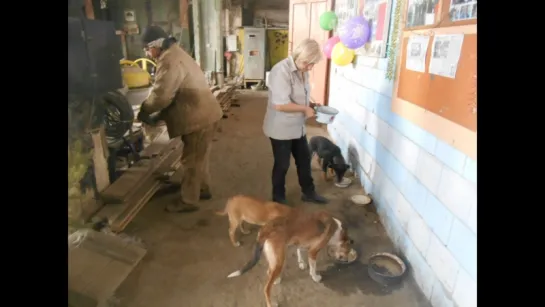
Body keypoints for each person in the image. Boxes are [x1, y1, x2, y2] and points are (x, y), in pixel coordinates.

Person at [138, 26, 223, 213]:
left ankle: (189, 201)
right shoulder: (177, 52)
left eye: (147, 48)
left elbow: (162, 94)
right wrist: (160, 114)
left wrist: (145, 110)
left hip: (198, 117)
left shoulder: (169, 60)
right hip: (205, 113)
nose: (146, 53)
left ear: (156, 45)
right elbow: (175, 92)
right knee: (200, 156)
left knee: (191, 160)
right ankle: (202, 189)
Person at [262, 38, 328, 205]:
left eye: (312, 64)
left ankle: (308, 192)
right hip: (281, 128)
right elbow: (280, 104)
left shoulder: (302, 70)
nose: (310, 67)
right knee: (282, 164)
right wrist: (305, 110)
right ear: (298, 56)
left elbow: (299, 96)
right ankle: (278, 198)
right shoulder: (281, 71)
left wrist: (311, 105)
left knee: (304, 160)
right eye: (308, 63)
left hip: (297, 127)